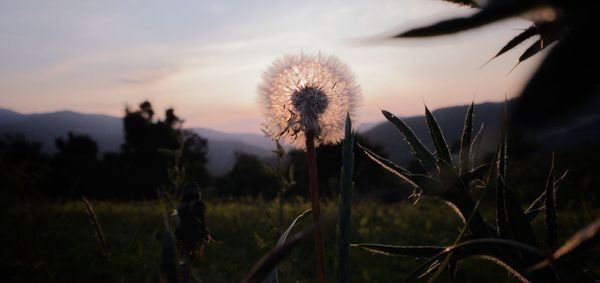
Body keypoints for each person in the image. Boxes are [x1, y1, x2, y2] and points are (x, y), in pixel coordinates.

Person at [175, 182, 210, 259]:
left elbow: (178, 222)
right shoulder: (198, 204)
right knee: (205, 236)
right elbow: (202, 221)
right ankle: (197, 256)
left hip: (180, 233)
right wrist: (205, 233)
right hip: (194, 234)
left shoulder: (181, 206)